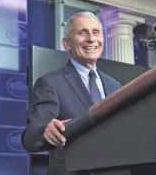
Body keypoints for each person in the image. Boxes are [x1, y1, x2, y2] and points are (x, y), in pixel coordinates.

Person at [22, 11, 121, 175]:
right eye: (83, 33)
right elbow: (30, 137)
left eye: (96, 32)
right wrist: (45, 132)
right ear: (67, 43)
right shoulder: (50, 83)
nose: (91, 39)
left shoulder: (115, 85)